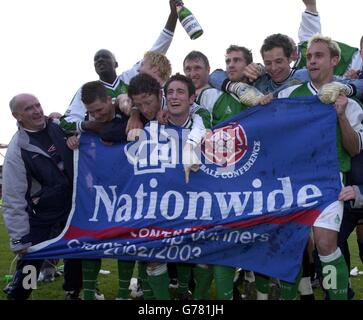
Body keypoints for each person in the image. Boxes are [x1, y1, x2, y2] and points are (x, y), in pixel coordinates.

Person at [273, 34, 363, 300]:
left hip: (329, 180)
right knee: (293, 246)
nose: (312, 61)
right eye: (309, 56)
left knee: (325, 244)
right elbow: (273, 133)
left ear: (334, 60)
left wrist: (341, 117)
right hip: (293, 180)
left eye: (319, 56)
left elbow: (354, 148)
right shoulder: (290, 95)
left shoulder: (352, 105)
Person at [2, 94, 82, 300]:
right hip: (41, 216)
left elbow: (83, 125)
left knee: (75, 255)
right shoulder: (17, 149)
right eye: (29, 108)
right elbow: (13, 197)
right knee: (31, 262)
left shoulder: (58, 125)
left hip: (71, 209)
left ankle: (72, 292)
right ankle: (20, 295)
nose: (37, 111)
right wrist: (19, 239)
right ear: (17, 116)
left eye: (37, 105)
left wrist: (75, 136)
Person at [60, 0, 179, 135]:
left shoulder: (133, 75)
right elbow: (65, 122)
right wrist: (90, 125)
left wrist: (173, 16)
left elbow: (158, 48)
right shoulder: (88, 90)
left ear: (116, 63)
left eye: (105, 57)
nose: (99, 60)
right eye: (96, 59)